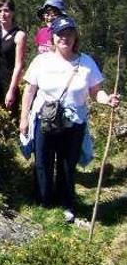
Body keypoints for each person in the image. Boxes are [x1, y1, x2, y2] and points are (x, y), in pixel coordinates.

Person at [20, 16, 120, 223]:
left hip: (74, 122)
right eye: (60, 34)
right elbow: (29, 91)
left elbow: (95, 92)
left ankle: (67, 203)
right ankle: (45, 202)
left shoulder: (86, 62)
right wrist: (24, 119)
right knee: (43, 162)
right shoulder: (41, 61)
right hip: (44, 119)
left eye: (69, 34)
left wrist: (107, 99)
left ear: (75, 37)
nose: (65, 38)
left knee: (67, 165)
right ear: (53, 37)